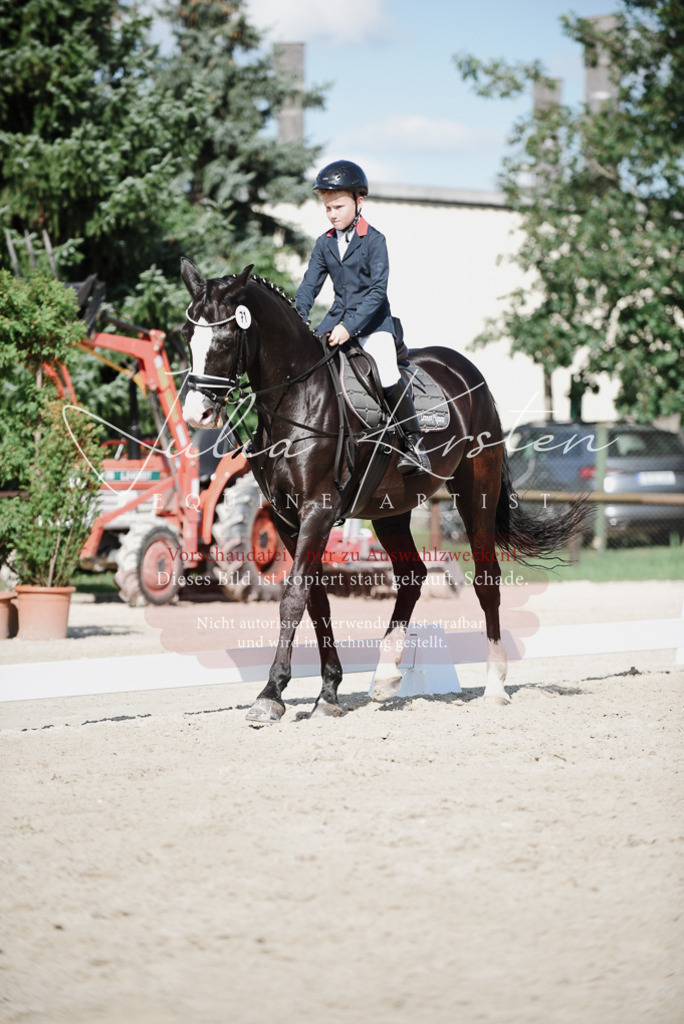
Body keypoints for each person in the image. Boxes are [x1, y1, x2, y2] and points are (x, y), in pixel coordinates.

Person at [295, 159, 431, 475]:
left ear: (359, 201)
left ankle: (414, 445)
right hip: (334, 323)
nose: (332, 214)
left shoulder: (374, 240)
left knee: (385, 370)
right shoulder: (323, 243)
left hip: (373, 324)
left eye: (338, 207)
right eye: (327, 208)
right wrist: (298, 317)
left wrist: (349, 327)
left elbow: (376, 292)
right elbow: (308, 287)